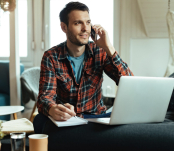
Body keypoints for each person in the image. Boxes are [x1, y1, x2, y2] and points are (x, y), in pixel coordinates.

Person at [33, 1, 133, 133]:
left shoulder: (100, 51)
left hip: (97, 118)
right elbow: (45, 97)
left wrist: (109, 47)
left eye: (88, 22)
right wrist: (52, 109)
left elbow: (129, 82)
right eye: (77, 23)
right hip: (68, 121)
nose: (85, 28)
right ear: (64, 27)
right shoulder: (51, 56)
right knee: (39, 120)